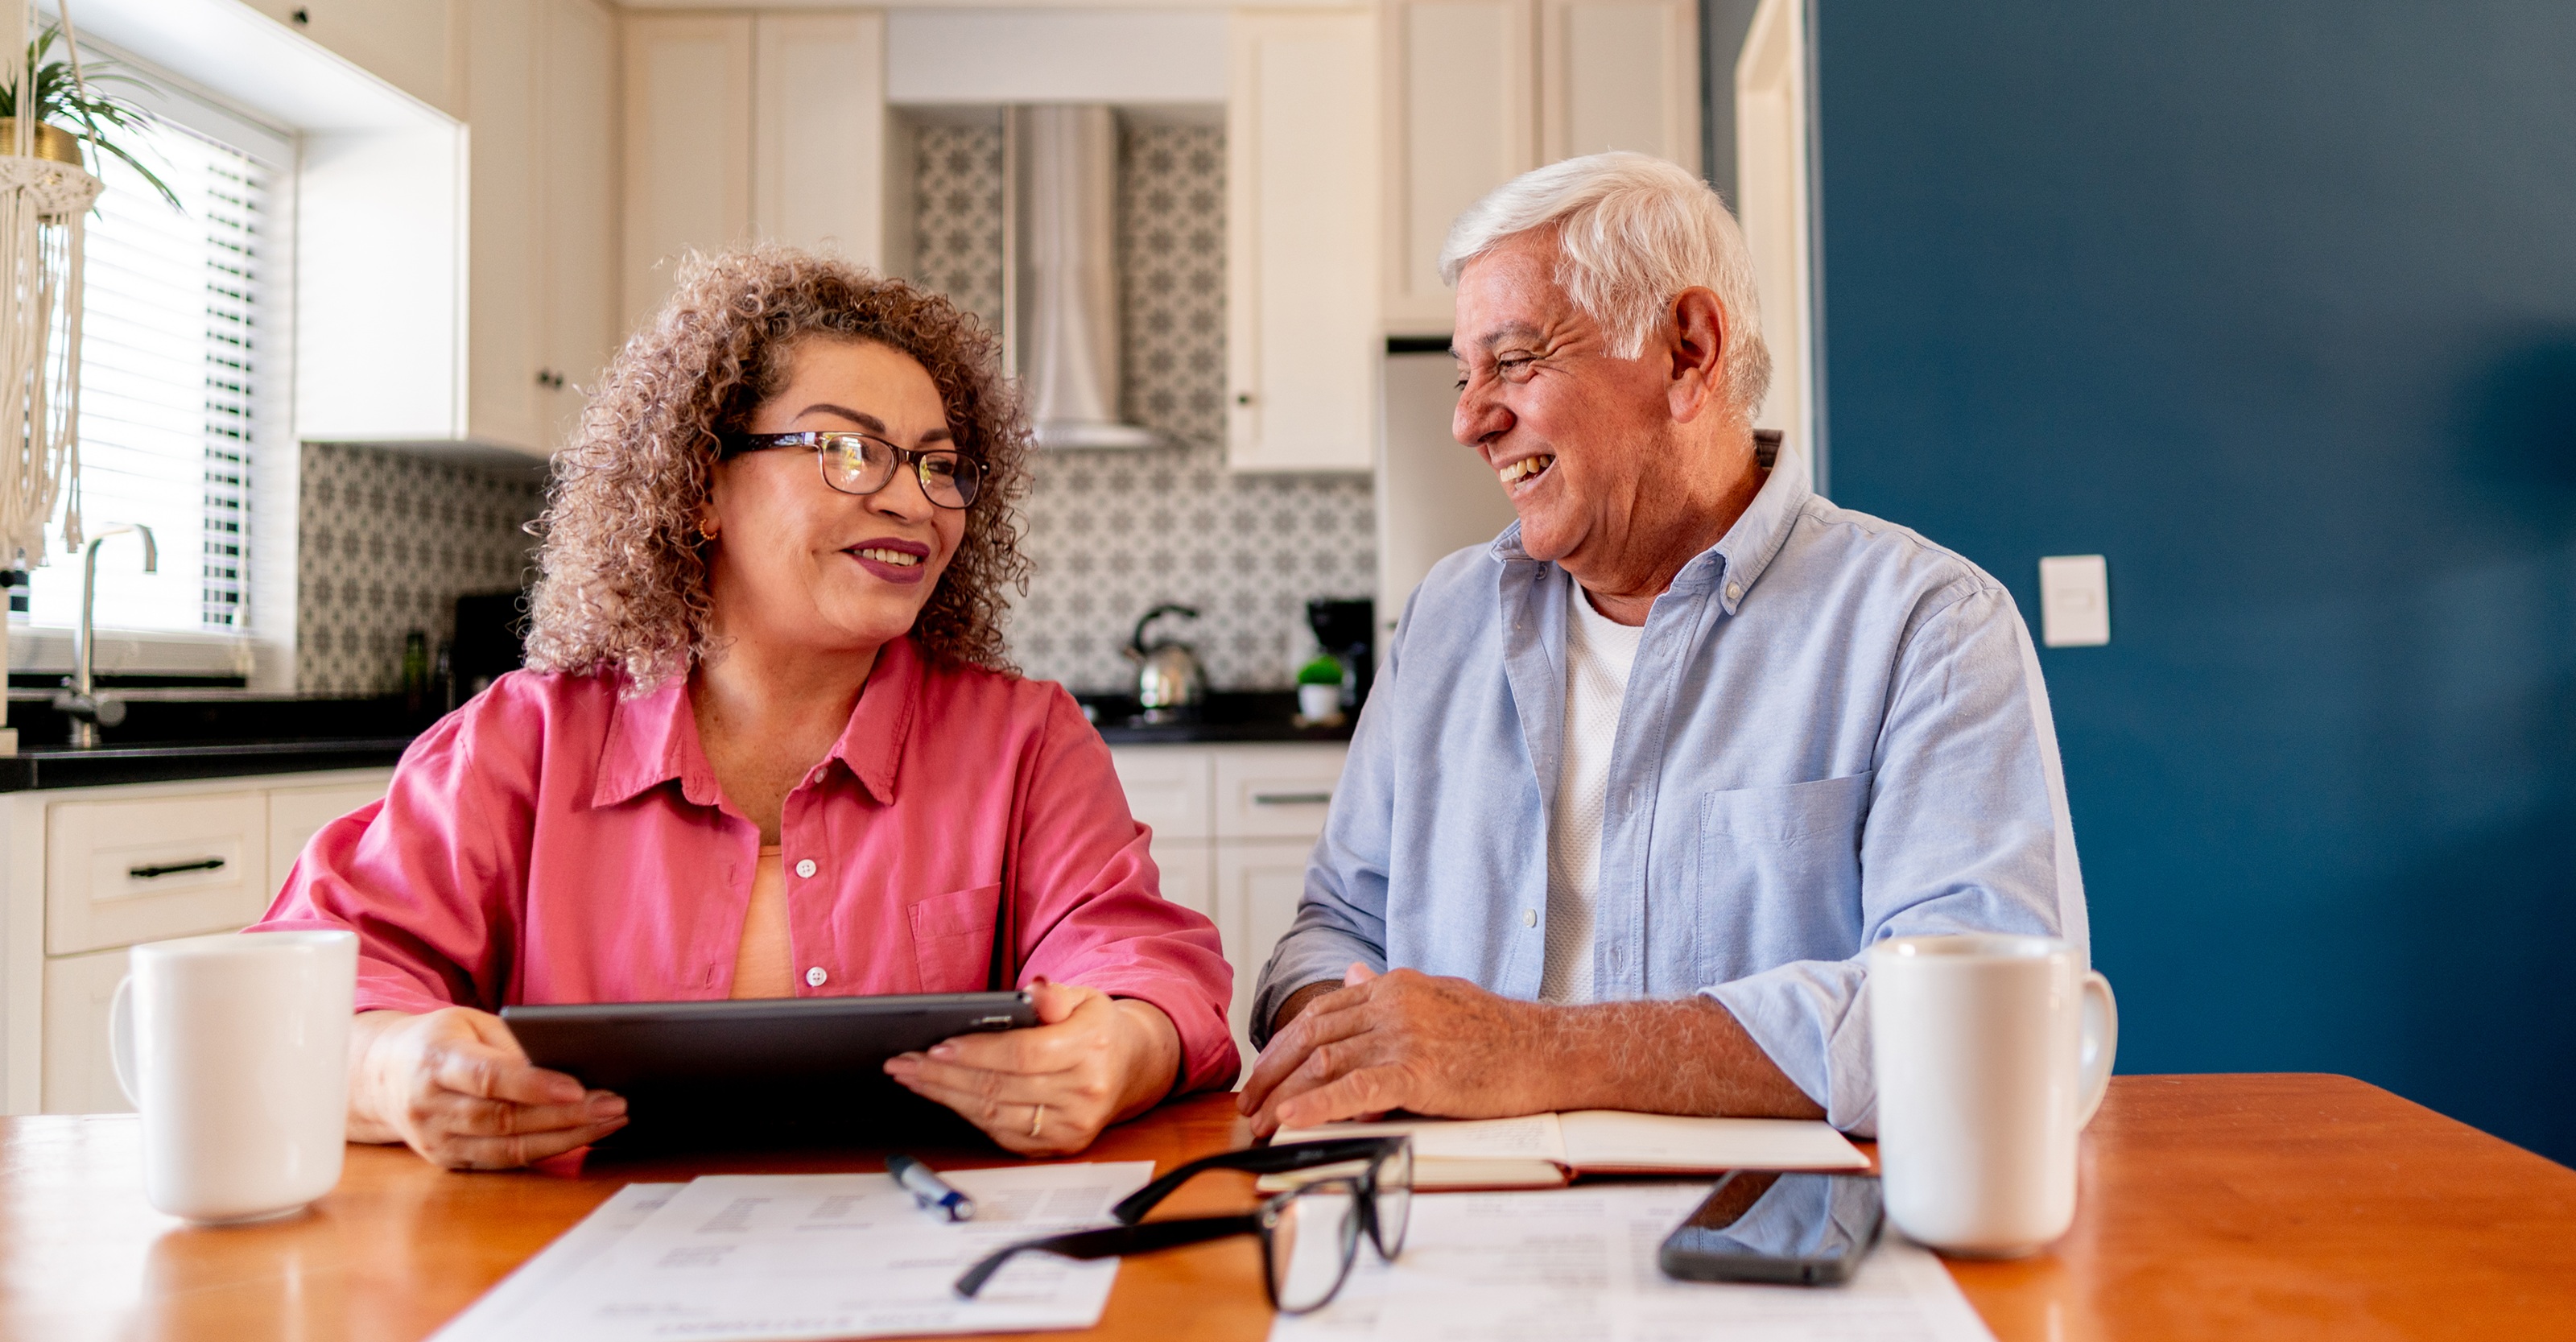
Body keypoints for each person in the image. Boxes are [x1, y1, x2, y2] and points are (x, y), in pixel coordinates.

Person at [258, 246, 1237, 1169]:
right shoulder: (521, 741)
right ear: (699, 487)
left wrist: (1122, 1048)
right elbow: (294, 997)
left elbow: (1147, 972)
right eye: (850, 450)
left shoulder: (1025, 742)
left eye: (939, 465)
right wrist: (396, 1074)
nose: (914, 502)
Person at [1239, 153, 2086, 1139]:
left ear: (1688, 352)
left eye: (1513, 361)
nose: (1469, 418)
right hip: (1451, 1228)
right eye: (1465, 374)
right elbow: (1335, 928)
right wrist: (1354, 1045)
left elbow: (1989, 1020)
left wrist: (1523, 1053)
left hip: (1777, 1251)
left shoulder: (1928, 628)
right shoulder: (1443, 620)